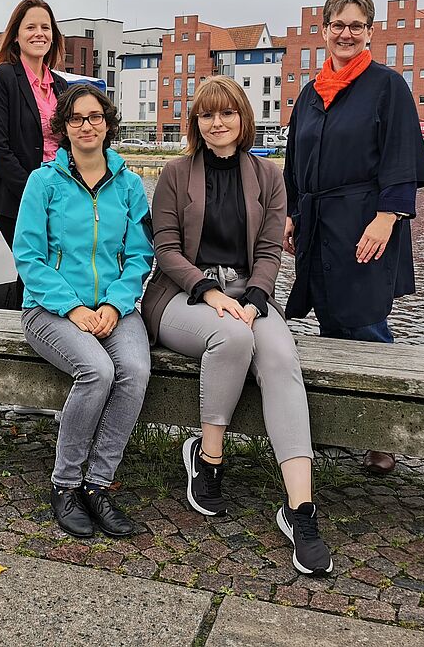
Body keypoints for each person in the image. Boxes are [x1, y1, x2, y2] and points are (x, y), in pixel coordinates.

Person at [141, 76, 332, 576]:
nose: (217, 123)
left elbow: (270, 251)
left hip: (248, 292)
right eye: (207, 115)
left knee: (282, 358)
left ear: (242, 119)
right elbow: (165, 249)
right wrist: (209, 292)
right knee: (232, 336)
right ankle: (209, 459)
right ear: (196, 123)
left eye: (227, 113)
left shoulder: (268, 175)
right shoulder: (175, 174)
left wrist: (253, 296)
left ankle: (300, 510)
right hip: (181, 295)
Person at [282, 0, 424, 476]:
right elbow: (293, 160)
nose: (346, 33)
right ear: (323, 30)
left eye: (356, 25)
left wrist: (388, 217)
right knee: (328, 322)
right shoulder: (310, 93)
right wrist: (290, 213)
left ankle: (381, 433)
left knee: (366, 323)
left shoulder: (387, 86)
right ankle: (340, 427)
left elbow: (401, 156)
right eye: (337, 25)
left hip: (367, 222)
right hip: (318, 223)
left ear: (369, 31)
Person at [14, 84, 154, 539]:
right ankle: (65, 483)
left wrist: (115, 303)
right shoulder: (43, 182)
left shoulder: (130, 185)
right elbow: (28, 257)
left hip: (113, 309)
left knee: (133, 368)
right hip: (49, 310)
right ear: (63, 128)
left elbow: (139, 255)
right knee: (96, 369)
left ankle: (98, 483)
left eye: (95, 117)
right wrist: (72, 307)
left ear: (108, 124)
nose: (86, 125)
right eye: (76, 118)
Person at [0, 0, 70, 307]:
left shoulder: (60, 85)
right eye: (30, 26)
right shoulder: (0, 77)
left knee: (59, 264)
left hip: (60, 193)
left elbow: (69, 141)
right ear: (16, 34)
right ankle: (28, 330)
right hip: (16, 195)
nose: (39, 33)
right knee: (34, 267)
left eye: (46, 27)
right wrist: (34, 191)